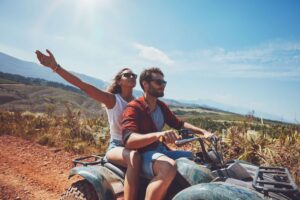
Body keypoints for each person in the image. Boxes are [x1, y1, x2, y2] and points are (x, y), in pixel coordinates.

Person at [35, 49, 140, 200]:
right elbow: (82, 85)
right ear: (119, 81)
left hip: (137, 144)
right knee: (135, 159)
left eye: (133, 75)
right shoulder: (113, 100)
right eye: (127, 74)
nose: (131, 77)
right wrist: (55, 67)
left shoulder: (137, 102)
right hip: (119, 146)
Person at [121, 67, 215, 200]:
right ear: (145, 84)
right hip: (142, 153)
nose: (162, 86)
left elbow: (179, 124)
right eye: (158, 82)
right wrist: (157, 135)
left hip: (160, 151)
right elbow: (129, 140)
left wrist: (204, 132)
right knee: (168, 167)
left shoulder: (161, 106)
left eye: (164, 83)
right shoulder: (134, 107)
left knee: (195, 159)